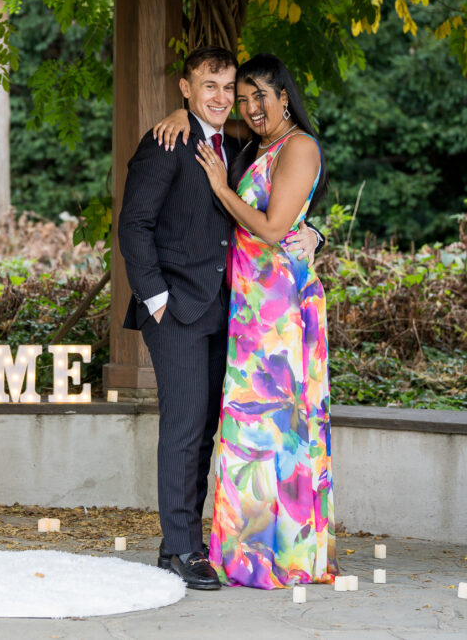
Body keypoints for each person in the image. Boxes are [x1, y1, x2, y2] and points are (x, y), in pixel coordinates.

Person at [117, 47, 320, 591]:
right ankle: (182, 550)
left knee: (207, 430)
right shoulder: (166, 142)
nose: (223, 97)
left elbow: (278, 204)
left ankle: (181, 544)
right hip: (176, 309)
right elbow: (133, 225)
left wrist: (315, 233)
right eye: (210, 86)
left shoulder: (236, 147)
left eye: (229, 88)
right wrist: (156, 300)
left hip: (229, 311)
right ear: (186, 89)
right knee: (184, 428)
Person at [185, 52, 338, 589]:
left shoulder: (299, 147)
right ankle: (247, 553)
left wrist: (222, 190)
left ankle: (283, 556)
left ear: (284, 97)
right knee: (248, 432)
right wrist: (177, 113)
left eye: (260, 97)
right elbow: (202, 119)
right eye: (243, 98)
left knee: (276, 431)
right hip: (250, 309)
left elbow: (274, 228)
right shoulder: (258, 146)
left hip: (280, 312)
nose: (250, 107)